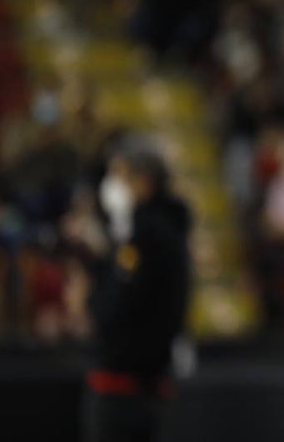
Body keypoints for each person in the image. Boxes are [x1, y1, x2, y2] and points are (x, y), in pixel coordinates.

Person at [83, 139, 192, 442]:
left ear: (144, 180)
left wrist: (93, 295)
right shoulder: (169, 230)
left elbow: (115, 305)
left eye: (118, 174)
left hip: (123, 387)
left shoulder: (145, 236)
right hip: (154, 385)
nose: (111, 185)